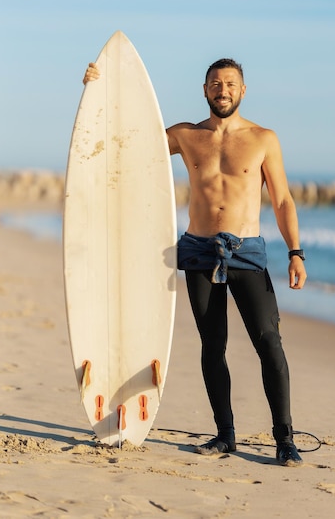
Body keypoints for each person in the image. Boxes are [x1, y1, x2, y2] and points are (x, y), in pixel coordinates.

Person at [83, 57, 307, 467]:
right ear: (205, 90)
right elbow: (123, 140)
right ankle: (225, 434)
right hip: (199, 250)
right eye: (215, 84)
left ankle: (285, 439)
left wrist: (295, 251)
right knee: (212, 344)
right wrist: (97, 89)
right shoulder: (185, 136)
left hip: (247, 252)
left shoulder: (263, 139)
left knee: (268, 342)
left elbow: (282, 200)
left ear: (243, 90)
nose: (223, 90)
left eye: (231, 84)